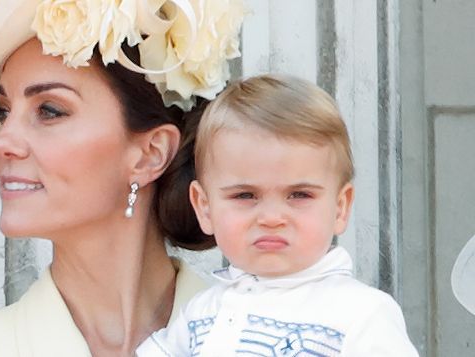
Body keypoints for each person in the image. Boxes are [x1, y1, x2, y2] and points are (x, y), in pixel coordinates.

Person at [0, 0, 245, 356]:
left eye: (49, 111)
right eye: (1, 113)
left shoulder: (267, 339)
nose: (2, 142)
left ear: (151, 153)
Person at [136, 74, 419, 356]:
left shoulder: (362, 315)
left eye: (299, 195)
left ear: (340, 207)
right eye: (245, 196)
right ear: (205, 207)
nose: (271, 218)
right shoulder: (200, 314)